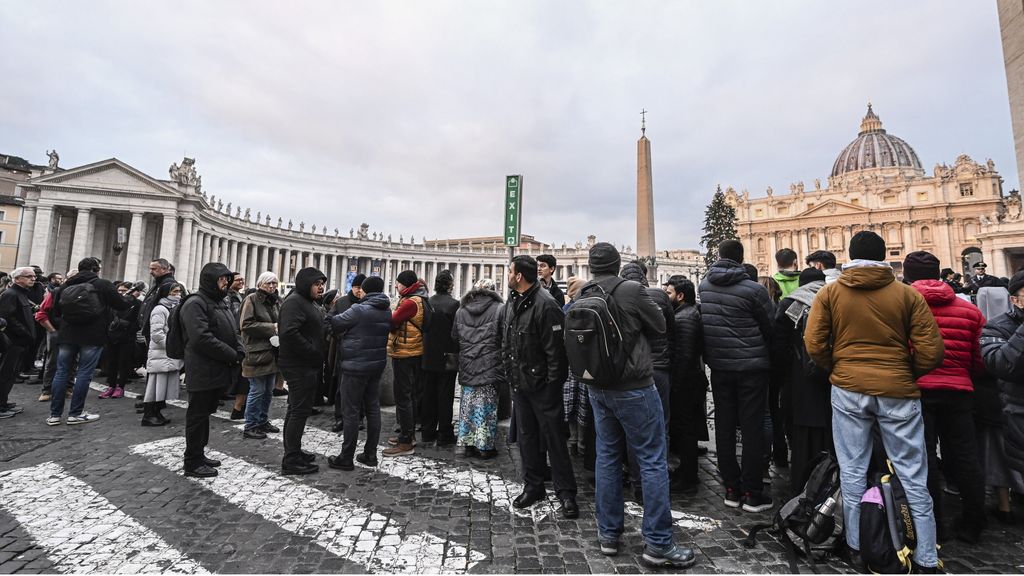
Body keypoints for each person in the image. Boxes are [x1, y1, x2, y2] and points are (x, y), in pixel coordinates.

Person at [804, 231, 944, 572]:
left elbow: (814, 343)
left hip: (849, 389)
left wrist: (838, 368)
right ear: (883, 256)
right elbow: (932, 350)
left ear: (849, 255)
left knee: (852, 472)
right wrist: (904, 371)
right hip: (898, 391)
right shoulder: (907, 295)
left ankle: (856, 546)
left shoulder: (830, 292)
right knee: (913, 475)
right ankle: (925, 556)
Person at [581, 243, 693, 567]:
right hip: (633, 386)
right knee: (652, 459)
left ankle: (608, 534)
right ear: (618, 264)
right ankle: (658, 543)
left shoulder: (583, 292)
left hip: (597, 387)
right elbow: (659, 326)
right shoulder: (631, 289)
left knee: (607, 457)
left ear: (590, 265)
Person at [902, 251, 988, 543]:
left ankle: (933, 523)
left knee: (922, 459)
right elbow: (980, 359)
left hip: (919, 390)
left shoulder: (902, 308)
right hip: (960, 390)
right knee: (966, 457)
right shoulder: (970, 311)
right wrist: (964, 374)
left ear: (908, 276)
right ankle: (974, 521)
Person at [699, 240, 774, 512]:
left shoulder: (704, 287)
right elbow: (770, 326)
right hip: (752, 368)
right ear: (742, 259)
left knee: (724, 425)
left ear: (719, 256)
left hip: (719, 366)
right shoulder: (754, 290)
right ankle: (753, 492)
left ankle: (731, 487)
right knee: (752, 428)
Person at [501, 254, 579, 519]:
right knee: (527, 438)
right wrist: (510, 373)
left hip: (543, 387)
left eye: (510, 271)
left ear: (519, 276)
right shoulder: (512, 303)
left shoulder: (546, 305)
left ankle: (566, 492)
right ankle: (533, 486)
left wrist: (551, 387)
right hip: (520, 383)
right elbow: (507, 341)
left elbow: (556, 353)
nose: (508, 275)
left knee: (555, 439)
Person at [47, 257, 132, 426]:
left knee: (62, 372)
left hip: (67, 334)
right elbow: (122, 305)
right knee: (84, 373)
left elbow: (55, 312)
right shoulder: (102, 284)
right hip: (93, 335)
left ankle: (54, 415)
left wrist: (65, 325)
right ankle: (75, 413)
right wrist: (128, 298)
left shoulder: (65, 286)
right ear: (95, 269)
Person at [179, 263, 244, 477]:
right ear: (210, 280)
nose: (225, 283)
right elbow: (201, 338)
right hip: (202, 368)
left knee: (205, 413)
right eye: (221, 279)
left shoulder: (218, 302)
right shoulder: (195, 303)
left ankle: (199, 453)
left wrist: (240, 348)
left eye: (227, 279)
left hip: (216, 368)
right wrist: (232, 354)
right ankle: (192, 461)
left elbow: (234, 330)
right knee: (197, 415)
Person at [773, 267, 831, 494]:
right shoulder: (834, 299)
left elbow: (779, 346)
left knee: (802, 435)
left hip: (799, 379)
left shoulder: (790, 304)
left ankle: (802, 483)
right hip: (831, 378)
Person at [324, 276, 391, 470]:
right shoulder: (386, 310)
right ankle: (370, 454)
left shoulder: (358, 309)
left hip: (354, 367)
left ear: (366, 290)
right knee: (373, 409)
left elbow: (333, 323)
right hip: (375, 366)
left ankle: (346, 457)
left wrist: (331, 308)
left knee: (350, 411)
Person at [277, 267, 327, 474]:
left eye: (322, 283)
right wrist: (312, 351)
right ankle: (291, 459)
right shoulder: (295, 302)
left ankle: (294, 451)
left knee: (298, 409)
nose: (321, 287)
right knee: (298, 411)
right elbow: (289, 333)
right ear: (306, 284)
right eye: (317, 284)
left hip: (305, 364)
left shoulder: (307, 302)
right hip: (298, 365)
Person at [663, 275, 708, 496]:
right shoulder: (686, 314)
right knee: (685, 430)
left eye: (669, 292)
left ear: (680, 296)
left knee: (687, 431)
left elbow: (685, 356)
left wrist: (676, 384)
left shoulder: (685, 318)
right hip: (688, 381)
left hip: (686, 384)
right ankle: (685, 471)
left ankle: (688, 477)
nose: (666, 296)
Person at [452, 278, 504, 458]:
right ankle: (484, 446)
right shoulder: (499, 309)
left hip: (467, 363)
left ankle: (467, 444)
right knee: (487, 407)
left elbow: (454, 336)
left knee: (467, 406)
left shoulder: (461, 310)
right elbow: (504, 338)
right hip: (490, 365)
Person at [385, 269, 430, 457]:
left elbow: (392, 321)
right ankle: (408, 434)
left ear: (406, 284)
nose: (396, 286)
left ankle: (406, 441)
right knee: (409, 395)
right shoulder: (420, 299)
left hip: (405, 353)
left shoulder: (411, 302)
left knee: (403, 397)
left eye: (398, 283)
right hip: (414, 351)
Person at [240, 272, 282, 440]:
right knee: (257, 391)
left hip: (272, 351)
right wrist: (272, 327)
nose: (272, 286)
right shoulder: (251, 299)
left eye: (274, 283)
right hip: (257, 352)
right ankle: (250, 425)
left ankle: (262, 421)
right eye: (268, 283)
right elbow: (246, 324)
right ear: (260, 284)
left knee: (268, 391)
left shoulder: (275, 301)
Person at [421, 270, 460, 445]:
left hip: (428, 355)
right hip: (448, 356)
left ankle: (427, 431)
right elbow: (457, 332)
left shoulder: (427, 302)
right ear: (450, 285)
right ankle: (444, 433)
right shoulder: (454, 305)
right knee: (445, 396)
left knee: (428, 395)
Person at [141, 282, 185, 426]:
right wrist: (173, 345)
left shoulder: (171, 308)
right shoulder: (160, 309)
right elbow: (157, 334)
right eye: (174, 292)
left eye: (179, 291)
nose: (177, 295)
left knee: (161, 387)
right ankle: (149, 414)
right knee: (155, 386)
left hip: (166, 353)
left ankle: (156, 412)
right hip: (161, 353)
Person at [328, 273, 365, 431]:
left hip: (361, 351)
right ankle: (340, 417)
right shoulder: (341, 302)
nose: (359, 291)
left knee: (360, 388)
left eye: (362, 288)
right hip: (342, 350)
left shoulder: (367, 303)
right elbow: (329, 322)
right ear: (352, 287)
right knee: (341, 386)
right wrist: (339, 335)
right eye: (357, 287)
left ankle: (359, 418)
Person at [0, 268, 37, 419]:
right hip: (13, 341)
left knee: (11, 374)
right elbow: (8, 318)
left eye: (34, 276)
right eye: (28, 276)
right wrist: (25, 333)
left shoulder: (20, 294)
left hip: (20, 341)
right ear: (17, 279)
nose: (33, 279)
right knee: (5, 373)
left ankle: (3, 401)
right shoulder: (10, 294)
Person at [34, 269, 76, 402]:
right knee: (53, 361)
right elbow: (41, 314)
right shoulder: (56, 293)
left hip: (73, 332)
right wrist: (52, 331)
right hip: (56, 330)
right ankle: (47, 389)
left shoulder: (81, 293)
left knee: (73, 361)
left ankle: (68, 387)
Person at [99, 281, 142, 399]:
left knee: (124, 362)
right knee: (111, 362)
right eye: (119, 291)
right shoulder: (112, 304)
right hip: (111, 336)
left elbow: (139, 322)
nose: (121, 293)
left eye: (124, 290)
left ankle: (120, 387)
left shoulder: (137, 304)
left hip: (127, 336)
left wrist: (126, 325)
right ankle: (111, 386)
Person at [225, 274, 249, 419]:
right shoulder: (230, 298)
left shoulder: (237, 297)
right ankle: (237, 407)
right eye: (238, 280)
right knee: (241, 375)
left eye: (242, 279)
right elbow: (237, 318)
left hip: (237, 337)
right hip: (236, 338)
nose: (241, 282)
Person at [139, 258, 176, 343]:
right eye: (150, 269)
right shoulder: (157, 283)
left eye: (154, 269)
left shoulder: (168, 284)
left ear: (164, 269)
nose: (150, 272)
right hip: (150, 330)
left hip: (156, 331)